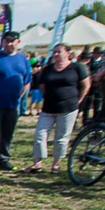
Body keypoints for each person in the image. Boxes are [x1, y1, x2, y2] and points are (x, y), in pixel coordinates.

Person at [24, 44, 90, 174]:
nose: (55, 55)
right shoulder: (47, 69)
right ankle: (37, 164)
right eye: (54, 52)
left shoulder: (77, 67)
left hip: (68, 108)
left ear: (68, 53)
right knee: (40, 135)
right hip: (48, 108)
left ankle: (56, 165)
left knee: (61, 138)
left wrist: (78, 100)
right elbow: (43, 86)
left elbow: (85, 85)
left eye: (59, 52)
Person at [0, 31, 32, 171]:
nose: (9, 43)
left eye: (12, 41)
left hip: (12, 104)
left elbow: (27, 81)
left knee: (7, 133)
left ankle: (4, 159)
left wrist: (20, 97)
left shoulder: (23, 60)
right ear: (2, 42)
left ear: (18, 42)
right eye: (6, 41)